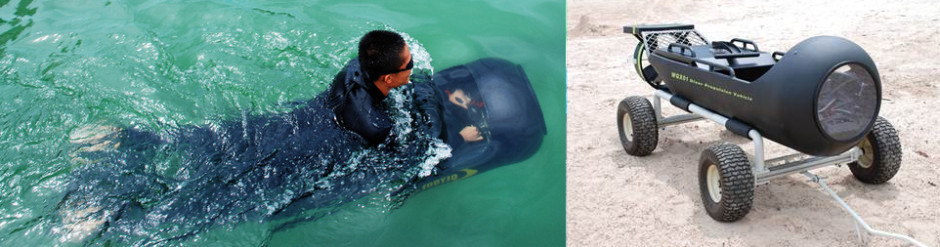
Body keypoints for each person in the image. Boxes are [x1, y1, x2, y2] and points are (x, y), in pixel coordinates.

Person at [326, 30, 483, 146]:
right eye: (409, 65)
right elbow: (421, 150)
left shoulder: (356, 66)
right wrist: (458, 138)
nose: (414, 67)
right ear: (388, 78)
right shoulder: (377, 126)